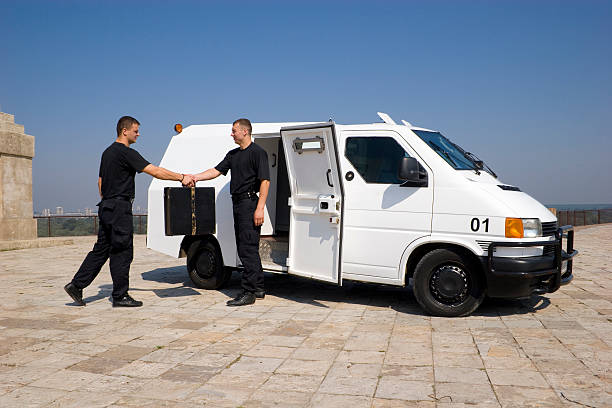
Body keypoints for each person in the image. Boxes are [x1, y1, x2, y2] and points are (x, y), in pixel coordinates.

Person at [64, 116, 195, 307]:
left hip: (106, 206)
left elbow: (100, 182)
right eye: (136, 130)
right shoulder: (126, 153)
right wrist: (182, 177)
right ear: (124, 131)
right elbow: (156, 171)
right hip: (119, 208)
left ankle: (76, 285)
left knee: (101, 250)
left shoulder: (107, 153)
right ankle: (120, 296)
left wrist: (109, 201)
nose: (138, 134)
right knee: (122, 252)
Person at [188, 118, 270, 306]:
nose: (231, 134)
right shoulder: (233, 155)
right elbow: (216, 171)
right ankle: (258, 287)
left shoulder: (258, 153)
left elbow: (265, 181)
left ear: (245, 132)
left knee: (246, 249)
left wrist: (260, 208)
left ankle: (248, 292)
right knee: (247, 247)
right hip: (239, 204)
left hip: (250, 203)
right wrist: (195, 177)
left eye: (234, 131)